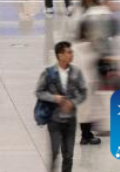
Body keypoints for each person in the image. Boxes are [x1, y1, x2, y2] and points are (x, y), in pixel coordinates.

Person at [34, 41, 87, 172]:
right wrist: (54, 98)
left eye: (71, 52)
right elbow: (39, 92)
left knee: (68, 155)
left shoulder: (76, 72)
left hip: (70, 120)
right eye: (68, 52)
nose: (71, 54)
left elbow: (83, 92)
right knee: (54, 153)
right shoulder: (49, 73)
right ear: (60, 55)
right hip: (54, 120)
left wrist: (73, 102)